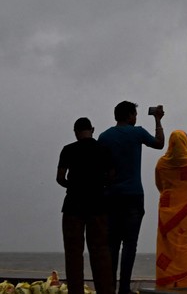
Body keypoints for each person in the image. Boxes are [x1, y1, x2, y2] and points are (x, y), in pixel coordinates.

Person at [98, 101, 164, 294]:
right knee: (130, 243)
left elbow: (101, 168)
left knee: (112, 244)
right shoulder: (137, 133)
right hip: (133, 195)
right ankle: (124, 288)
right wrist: (158, 119)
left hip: (110, 196)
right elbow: (159, 144)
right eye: (134, 114)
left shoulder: (104, 137)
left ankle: (109, 286)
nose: (136, 118)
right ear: (129, 116)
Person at [58, 117, 114, 294]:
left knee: (73, 253)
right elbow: (112, 175)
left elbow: (60, 177)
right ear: (93, 130)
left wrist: (73, 186)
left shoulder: (68, 150)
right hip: (98, 205)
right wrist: (99, 185)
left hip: (73, 205)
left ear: (75, 132)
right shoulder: (104, 149)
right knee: (101, 252)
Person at [154, 130, 187, 288]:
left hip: (167, 213)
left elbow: (160, 185)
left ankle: (168, 283)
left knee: (167, 248)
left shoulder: (161, 163)